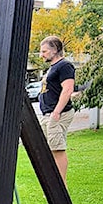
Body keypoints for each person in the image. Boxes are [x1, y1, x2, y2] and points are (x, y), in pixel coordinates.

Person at [38, 35, 76, 182]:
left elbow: (67, 89)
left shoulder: (64, 66)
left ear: (55, 50)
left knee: (57, 148)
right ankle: (52, 181)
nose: (42, 55)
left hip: (57, 114)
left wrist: (56, 112)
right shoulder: (53, 68)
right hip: (48, 113)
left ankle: (60, 185)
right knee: (45, 148)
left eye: (44, 51)